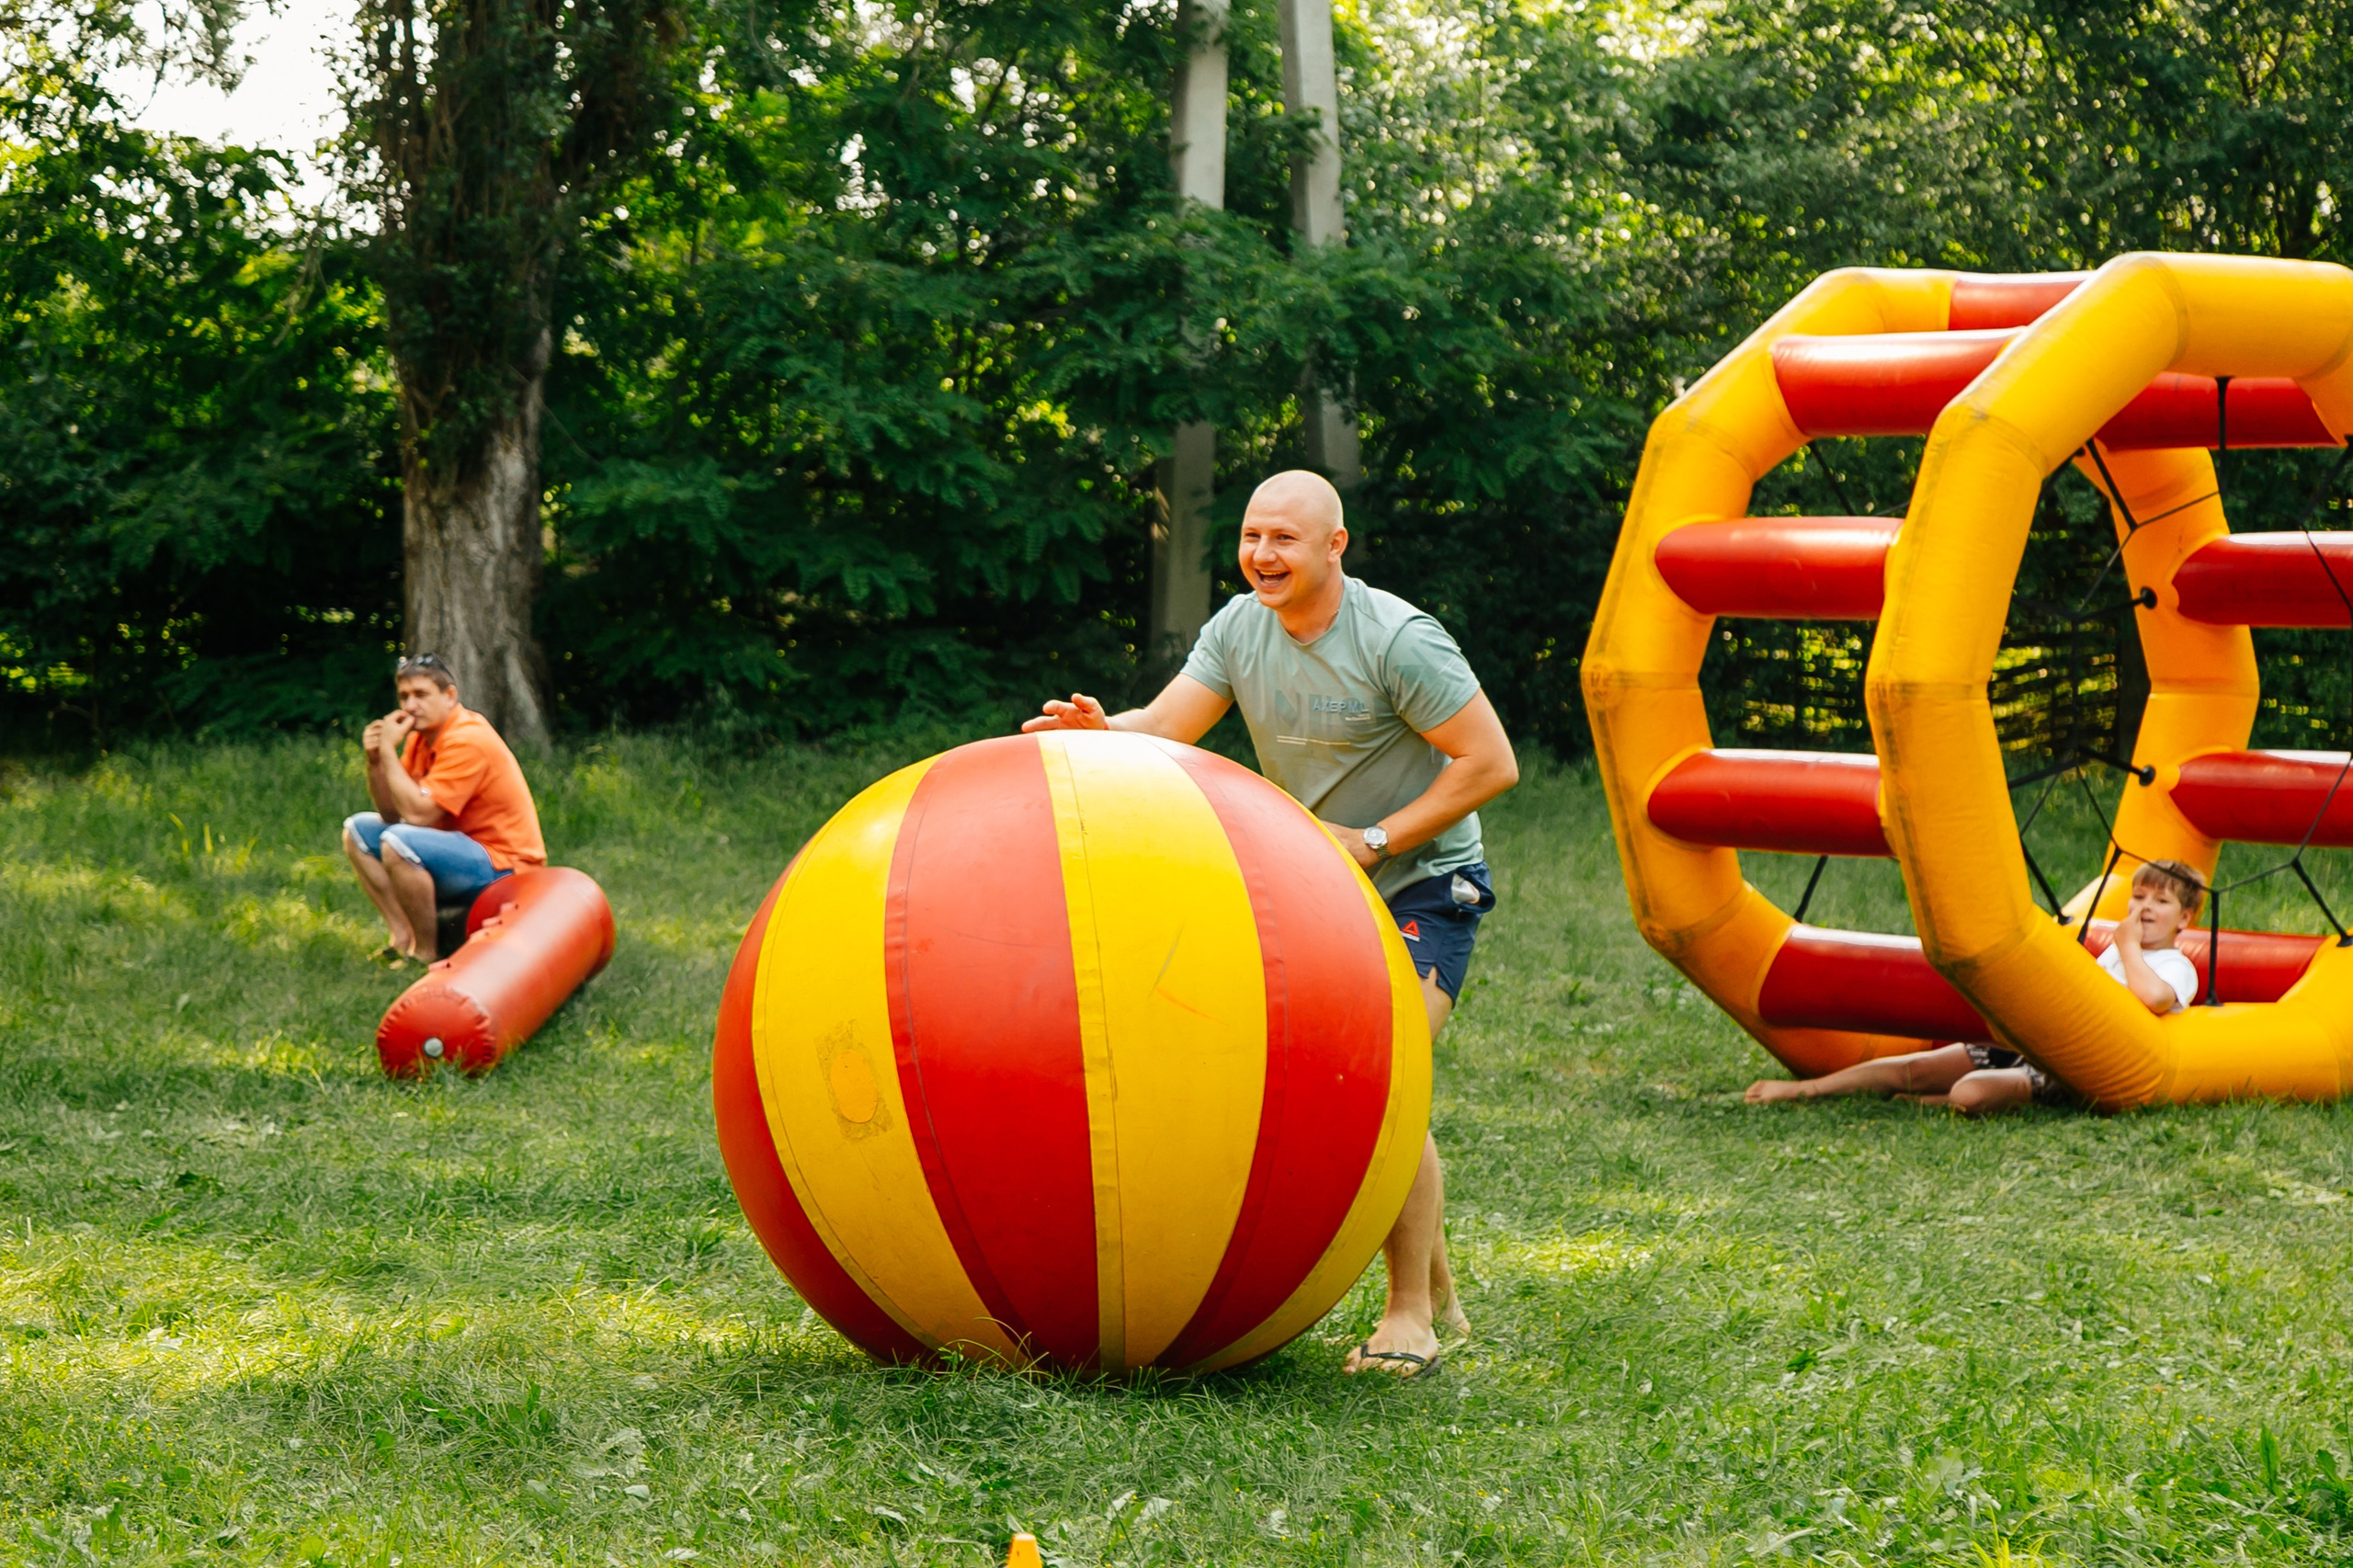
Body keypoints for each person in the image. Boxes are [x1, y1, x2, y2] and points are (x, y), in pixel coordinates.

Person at [1024, 470, 1519, 1379]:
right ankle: (1439, 1289)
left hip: (1421, 881)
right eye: (1252, 536)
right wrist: (1106, 729)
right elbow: (1171, 726)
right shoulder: (1241, 627)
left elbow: (1491, 761)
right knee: (1343, 1075)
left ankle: (1409, 1315)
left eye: (1284, 538)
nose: (1261, 553)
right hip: (1311, 879)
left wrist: (1372, 841)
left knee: (1382, 1075)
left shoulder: (1399, 640)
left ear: (1336, 545)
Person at [1745, 858, 2207, 1113]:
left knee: (1970, 1093)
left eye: (2160, 901)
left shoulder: (2175, 964)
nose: (2145, 908)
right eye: (2139, 896)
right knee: (1909, 1065)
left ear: (2185, 918)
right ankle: (1807, 1091)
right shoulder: (2112, 952)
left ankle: (1932, 1103)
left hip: (2072, 1072)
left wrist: (2126, 946)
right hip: (2034, 1048)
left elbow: (2153, 999)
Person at [344, 653, 547, 964]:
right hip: (458, 851)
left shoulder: (467, 739)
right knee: (358, 831)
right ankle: (402, 939)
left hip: (505, 864)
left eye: (421, 695)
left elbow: (418, 816)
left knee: (398, 842)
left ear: (449, 696)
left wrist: (387, 750)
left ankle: (425, 953)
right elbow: (391, 815)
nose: (411, 706)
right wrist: (375, 763)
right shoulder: (421, 739)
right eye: (404, 696)